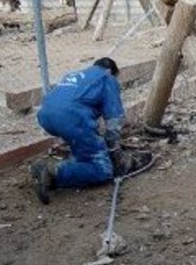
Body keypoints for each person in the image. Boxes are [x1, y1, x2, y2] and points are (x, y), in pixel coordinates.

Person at [30, 57, 133, 204]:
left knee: (82, 140)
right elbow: (114, 120)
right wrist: (114, 151)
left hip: (46, 116)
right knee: (102, 169)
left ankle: (74, 161)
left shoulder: (75, 75)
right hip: (72, 118)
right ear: (111, 71)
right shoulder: (107, 77)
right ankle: (52, 172)